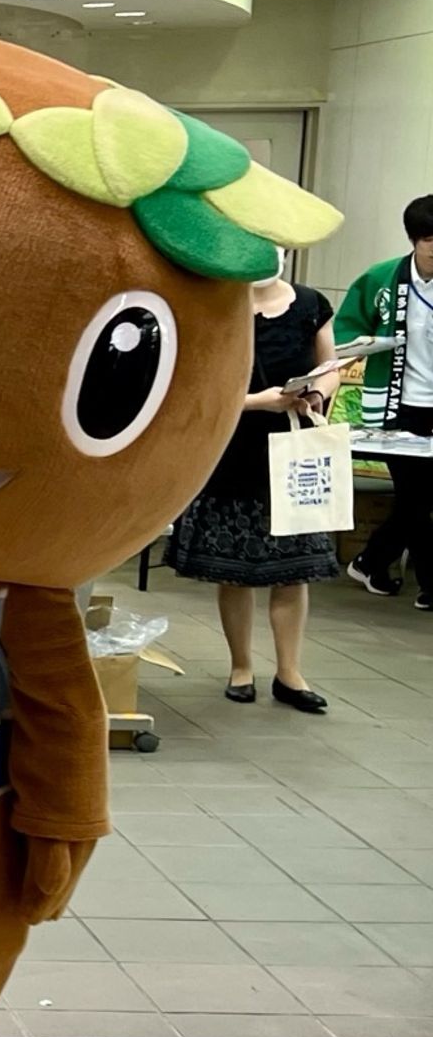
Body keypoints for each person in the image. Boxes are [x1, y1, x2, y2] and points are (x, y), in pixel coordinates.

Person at [166, 256, 338, 712]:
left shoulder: (311, 304)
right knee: (235, 570)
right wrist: (257, 402)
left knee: (294, 568)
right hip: (233, 449)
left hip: (294, 451)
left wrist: (318, 393)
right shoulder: (219, 304)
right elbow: (197, 383)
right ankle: (240, 666)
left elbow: (331, 365)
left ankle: (290, 671)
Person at [338, 194, 433, 605]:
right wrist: (362, 345)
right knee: (416, 499)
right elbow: (343, 329)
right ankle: (430, 585)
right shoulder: (382, 278)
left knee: (420, 501)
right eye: (430, 239)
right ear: (415, 240)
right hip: (399, 404)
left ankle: (371, 560)